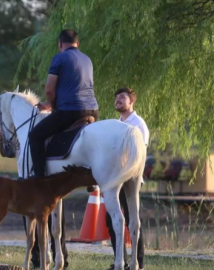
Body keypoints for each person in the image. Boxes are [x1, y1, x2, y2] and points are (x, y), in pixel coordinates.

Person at [28, 29, 99, 179]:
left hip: (71, 112)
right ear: (77, 44)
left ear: (60, 44)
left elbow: (49, 89)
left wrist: (53, 107)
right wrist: (50, 105)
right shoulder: (87, 59)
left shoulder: (59, 58)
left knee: (35, 135)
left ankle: (39, 178)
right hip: (93, 110)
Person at [105, 87, 149, 270]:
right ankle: (119, 261)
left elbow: (141, 153)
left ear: (132, 101)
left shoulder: (138, 124)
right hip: (115, 179)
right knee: (111, 219)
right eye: (116, 97)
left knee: (133, 218)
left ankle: (138, 262)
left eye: (122, 97)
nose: (118, 100)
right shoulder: (116, 124)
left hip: (130, 178)